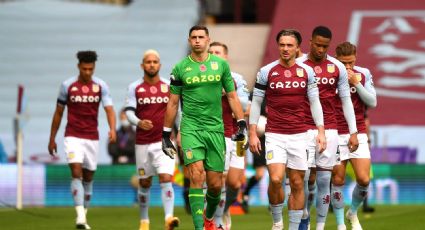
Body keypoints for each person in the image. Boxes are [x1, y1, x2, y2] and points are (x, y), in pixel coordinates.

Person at [161, 25, 246, 230]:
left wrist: (241, 123)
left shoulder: (220, 66)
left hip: (216, 130)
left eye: (201, 37)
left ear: (208, 39)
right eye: (194, 37)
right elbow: (173, 103)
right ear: (189, 41)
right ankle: (200, 227)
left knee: (216, 185)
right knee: (196, 176)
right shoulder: (180, 68)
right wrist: (166, 134)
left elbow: (233, 96)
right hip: (191, 129)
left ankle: (209, 218)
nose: (197, 40)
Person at [249, 29, 326, 230]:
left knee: (298, 183)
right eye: (282, 44)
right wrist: (252, 131)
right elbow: (256, 103)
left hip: (300, 135)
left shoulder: (307, 72)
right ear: (278, 46)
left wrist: (321, 131)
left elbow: (315, 102)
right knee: (275, 179)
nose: (285, 48)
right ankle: (277, 222)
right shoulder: (267, 71)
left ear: (298, 47)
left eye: (289, 45)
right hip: (274, 134)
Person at [297, 26, 359, 230]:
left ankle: (320, 226)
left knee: (325, 180)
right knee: (304, 178)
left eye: (325, 46)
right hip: (303, 128)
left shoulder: (337, 67)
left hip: (331, 128)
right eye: (318, 45)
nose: (321, 50)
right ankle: (304, 213)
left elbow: (346, 100)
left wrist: (353, 131)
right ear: (310, 42)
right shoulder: (298, 65)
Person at [48, 50, 116, 230]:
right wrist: (52, 138)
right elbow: (58, 113)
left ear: (94, 68)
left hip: (92, 137)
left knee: (88, 177)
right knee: (76, 172)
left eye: (90, 69)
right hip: (72, 135)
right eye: (84, 69)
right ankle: (79, 217)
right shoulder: (67, 85)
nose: (87, 72)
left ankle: (83, 218)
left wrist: (112, 129)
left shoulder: (101, 86)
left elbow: (109, 109)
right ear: (79, 67)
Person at [125, 49, 180, 230]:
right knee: (145, 182)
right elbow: (129, 112)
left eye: (155, 62)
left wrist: (180, 132)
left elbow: (176, 111)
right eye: (148, 62)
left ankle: (169, 218)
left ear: (160, 65)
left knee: (166, 178)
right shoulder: (135, 87)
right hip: (143, 142)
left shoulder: (168, 86)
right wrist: (139, 122)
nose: (151, 65)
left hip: (165, 141)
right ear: (142, 65)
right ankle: (144, 220)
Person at [331, 41, 377, 230]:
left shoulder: (363, 74)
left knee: (364, 179)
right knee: (338, 180)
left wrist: (356, 83)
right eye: (343, 63)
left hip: (357, 133)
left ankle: (353, 212)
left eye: (350, 62)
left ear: (355, 58)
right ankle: (341, 223)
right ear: (336, 58)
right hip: (334, 132)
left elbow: (372, 102)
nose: (347, 67)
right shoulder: (328, 74)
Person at [208, 41, 250, 229]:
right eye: (211, 52)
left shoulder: (236, 79)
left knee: (234, 182)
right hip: (219, 134)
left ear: (226, 57)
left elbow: (245, 105)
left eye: (218, 52)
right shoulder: (204, 79)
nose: (214, 54)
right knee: (222, 180)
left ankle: (224, 210)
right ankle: (218, 220)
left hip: (239, 136)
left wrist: (228, 94)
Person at [241, 94, 267, 213]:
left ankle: (274, 203)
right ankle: (245, 193)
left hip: (277, 135)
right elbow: (247, 111)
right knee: (260, 174)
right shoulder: (254, 95)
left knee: (278, 174)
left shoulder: (278, 90)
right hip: (259, 139)